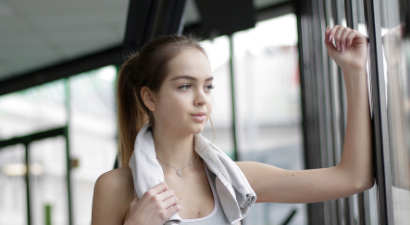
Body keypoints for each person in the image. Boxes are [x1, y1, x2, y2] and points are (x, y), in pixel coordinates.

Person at [92, 25, 372, 225]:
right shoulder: (115, 187)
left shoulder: (235, 180)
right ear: (150, 97)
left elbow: (353, 178)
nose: (202, 99)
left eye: (208, 86)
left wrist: (355, 71)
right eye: (186, 86)